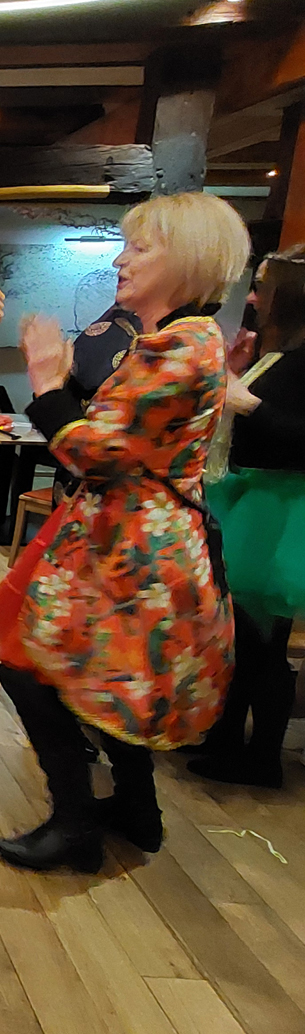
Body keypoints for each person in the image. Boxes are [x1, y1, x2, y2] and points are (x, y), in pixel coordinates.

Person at [0, 192, 250, 872]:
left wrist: (45, 383)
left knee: (35, 671)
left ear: (186, 258)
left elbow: (92, 453)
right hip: (131, 541)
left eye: (139, 248)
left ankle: (76, 823)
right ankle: (137, 810)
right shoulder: (187, 340)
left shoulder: (178, 348)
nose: (120, 261)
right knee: (111, 680)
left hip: (133, 551)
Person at [196, 246, 305, 787]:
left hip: (276, 508)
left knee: (264, 644)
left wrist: (249, 404)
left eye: (263, 288)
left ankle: (261, 758)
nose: (254, 298)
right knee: (243, 640)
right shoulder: (277, 351)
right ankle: (227, 742)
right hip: (252, 497)